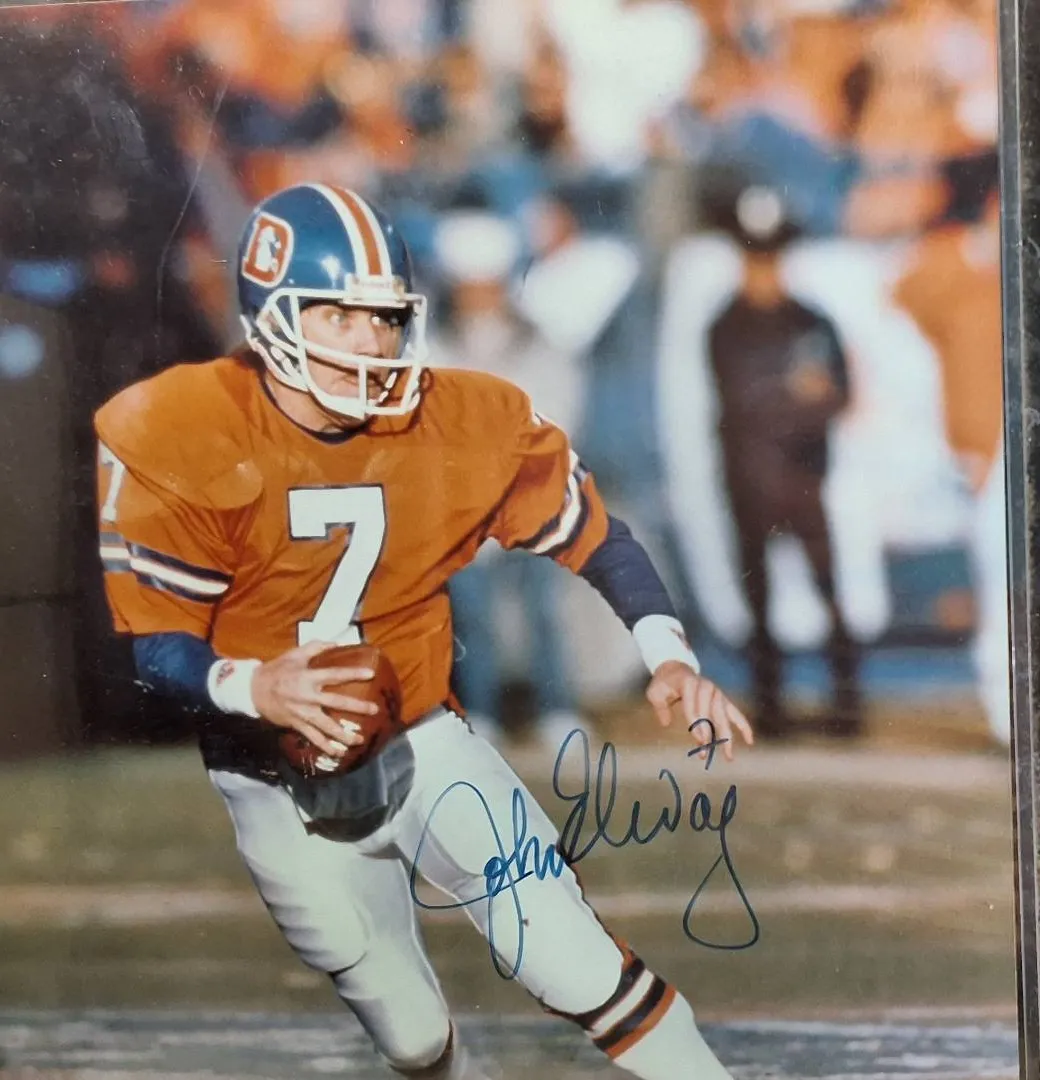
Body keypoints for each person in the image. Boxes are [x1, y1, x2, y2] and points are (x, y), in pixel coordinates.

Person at [93, 182, 753, 1079]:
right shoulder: (183, 426)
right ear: (271, 316)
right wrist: (254, 685)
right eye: (339, 315)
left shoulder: (454, 417)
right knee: (409, 1031)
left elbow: (596, 537)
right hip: (267, 769)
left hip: (420, 733)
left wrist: (667, 652)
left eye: (383, 317)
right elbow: (157, 644)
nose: (370, 342)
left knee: (567, 954)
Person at [705, 186, 861, 738]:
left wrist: (803, 400)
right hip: (750, 481)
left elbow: (840, 391)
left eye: (771, 260)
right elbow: (742, 397)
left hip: (804, 477)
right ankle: (770, 706)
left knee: (828, 588)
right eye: (755, 260)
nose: (763, 272)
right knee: (760, 597)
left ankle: (847, 704)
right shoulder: (725, 326)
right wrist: (798, 394)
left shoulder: (811, 321)